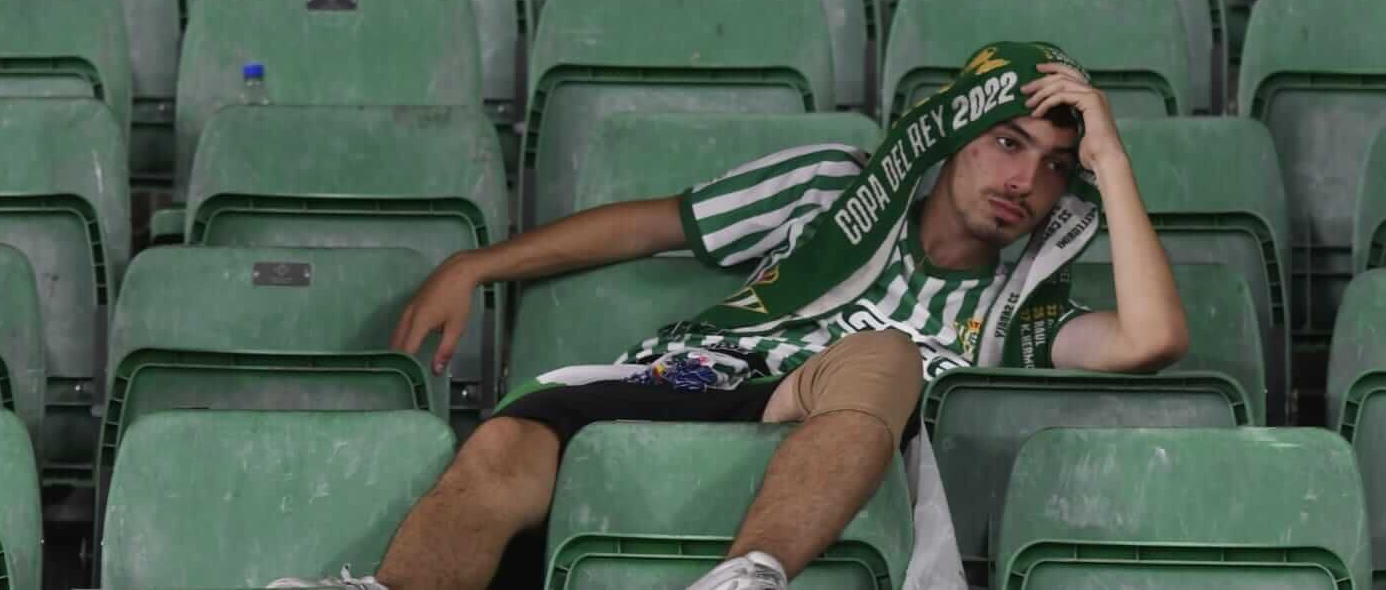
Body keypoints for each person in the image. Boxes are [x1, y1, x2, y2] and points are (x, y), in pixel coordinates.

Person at [273, 42, 1189, 590]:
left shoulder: (1013, 306)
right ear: (954, 133)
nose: (1025, 179)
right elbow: (650, 226)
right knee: (507, 441)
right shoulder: (837, 186)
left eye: (1058, 165)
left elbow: (1151, 338)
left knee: (882, 352)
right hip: (690, 377)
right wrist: (477, 262)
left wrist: (1112, 155)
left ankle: (748, 577)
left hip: (818, 424)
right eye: (1007, 141)